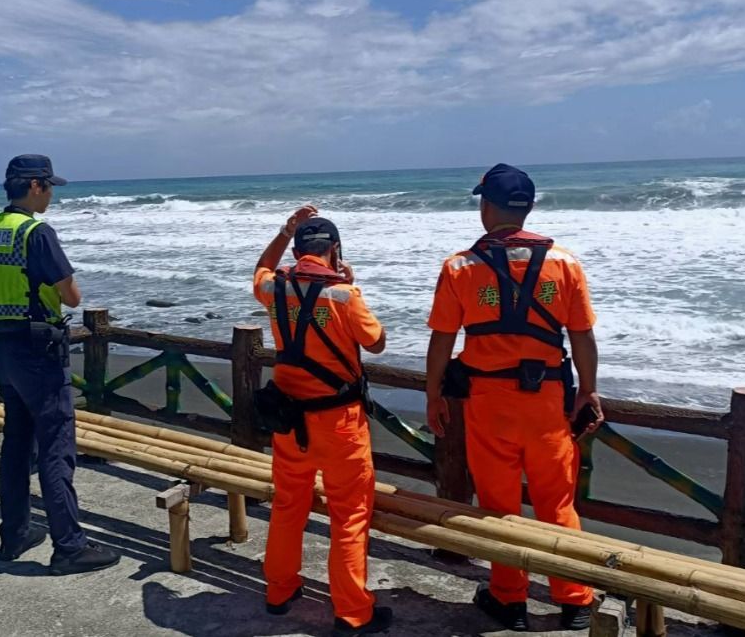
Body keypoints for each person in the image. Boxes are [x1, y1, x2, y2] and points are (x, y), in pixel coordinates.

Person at [424, 163, 603, 631]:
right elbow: (582, 336)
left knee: (499, 506)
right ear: (528, 208)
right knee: (556, 503)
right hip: (547, 401)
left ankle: (509, 598)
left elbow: (442, 339)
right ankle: (575, 598)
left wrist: (433, 393)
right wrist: (589, 390)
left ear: (486, 207)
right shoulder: (564, 263)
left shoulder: (460, 266)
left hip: (488, 402)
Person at [0, 153, 120, 575]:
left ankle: (15, 533)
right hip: (41, 350)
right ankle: (70, 547)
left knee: (18, 443)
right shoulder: (37, 232)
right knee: (56, 447)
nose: (53, 194)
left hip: (5, 347)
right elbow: (72, 296)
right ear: (36, 186)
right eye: (50, 186)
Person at [253, 206, 393, 637]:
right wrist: (351, 284)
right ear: (334, 250)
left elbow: (261, 268)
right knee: (349, 516)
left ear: (297, 252)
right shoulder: (344, 296)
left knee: (287, 507)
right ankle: (352, 612)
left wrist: (282, 232)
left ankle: (279, 591)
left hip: (290, 421)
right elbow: (378, 343)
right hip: (339, 424)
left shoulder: (275, 289)